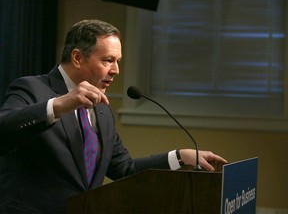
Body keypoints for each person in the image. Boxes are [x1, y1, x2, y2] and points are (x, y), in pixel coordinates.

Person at [0, 19, 227, 213]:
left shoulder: (101, 108)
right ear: (77, 57)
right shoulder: (32, 89)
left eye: (118, 61)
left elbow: (124, 169)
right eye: (108, 60)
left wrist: (178, 157)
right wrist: (60, 105)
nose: (116, 70)